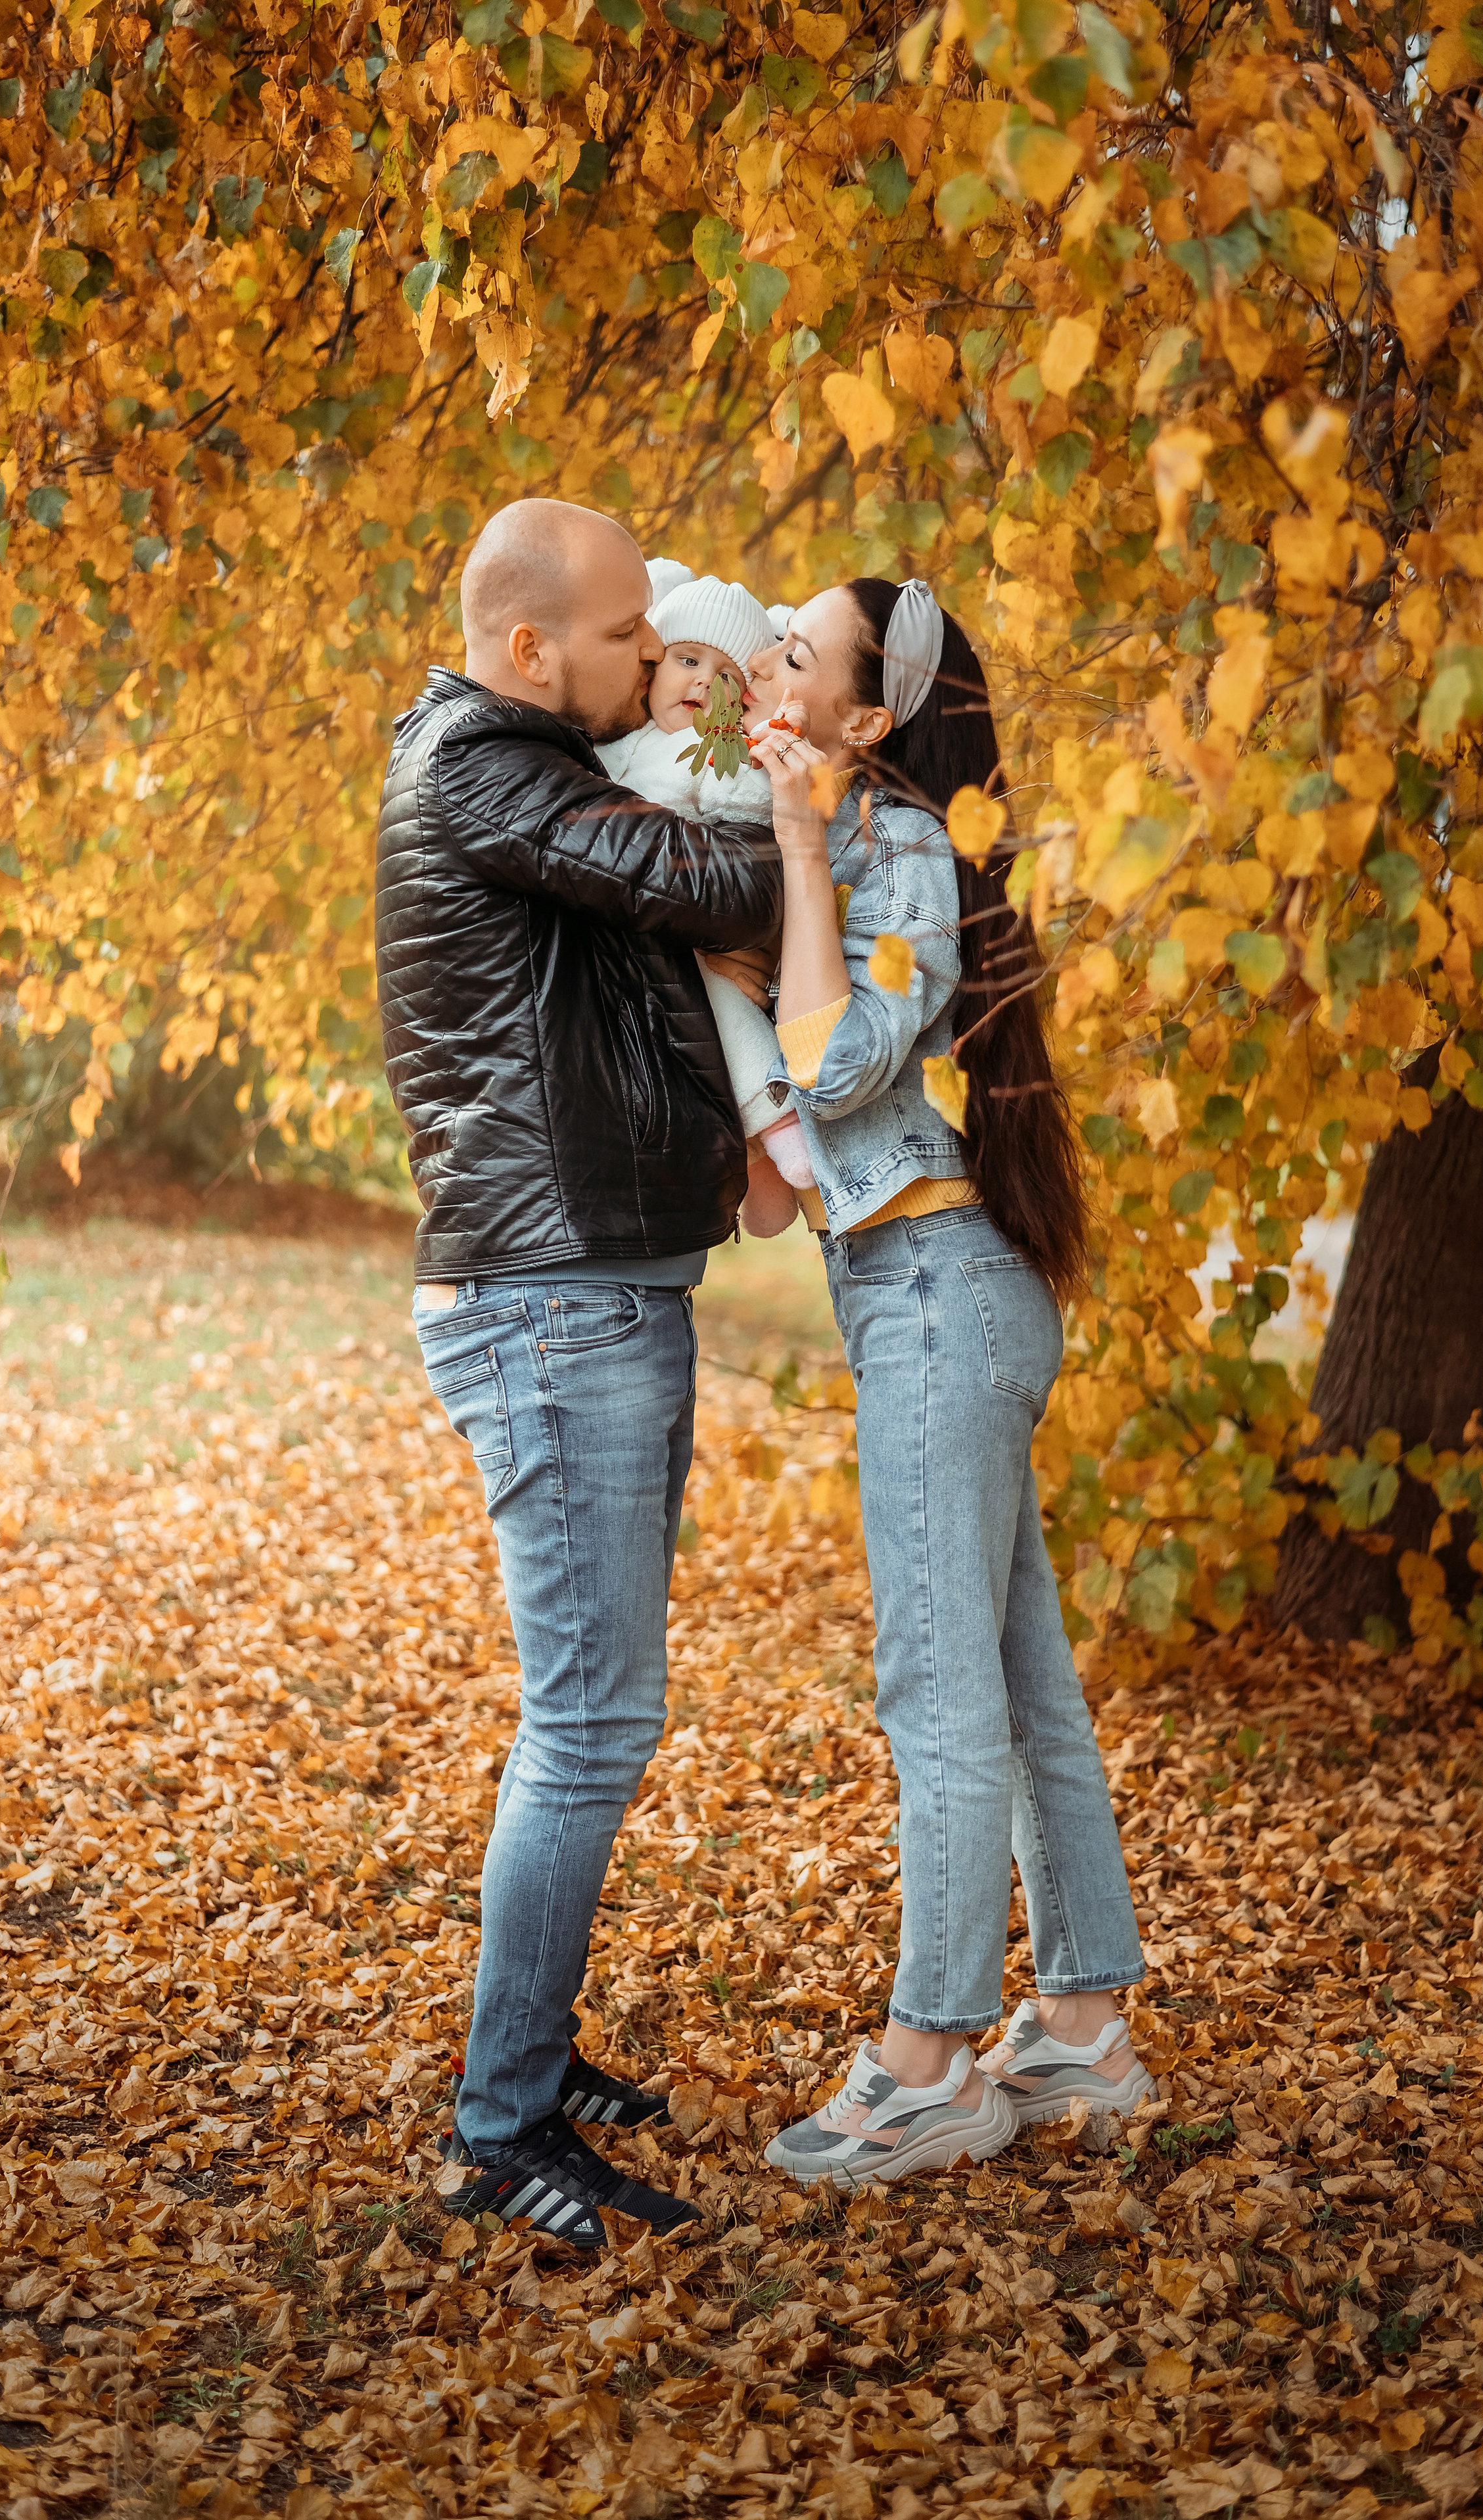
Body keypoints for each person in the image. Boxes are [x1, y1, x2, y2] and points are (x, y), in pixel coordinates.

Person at [375, 498, 781, 2249]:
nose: (651, 657)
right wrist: (814, 785)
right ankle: (503, 2129)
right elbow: (708, 876)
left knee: (595, 1712)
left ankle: (529, 2057)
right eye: (626, 633)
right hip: (553, 1303)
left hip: (594, 1286)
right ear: (531, 648)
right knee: (592, 1717)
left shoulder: (524, 761)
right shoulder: (486, 766)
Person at [742, 579, 1152, 2191]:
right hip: (928, 1290)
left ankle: (928, 2056)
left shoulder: (888, 839)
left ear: (865, 720)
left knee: (935, 1685)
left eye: (796, 653)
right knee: (1018, 1675)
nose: (765, 659)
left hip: (935, 1295)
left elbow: (836, 1063)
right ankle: (1080, 2020)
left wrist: (790, 843)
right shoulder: (858, 836)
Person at [595, 563, 815, 1207]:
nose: (702, 682)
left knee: (719, 1005)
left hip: (695, 931)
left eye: (726, 678)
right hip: (640, 940)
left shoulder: (721, 756)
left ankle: (773, 1118)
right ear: (652, 666)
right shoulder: (614, 745)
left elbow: (749, 825)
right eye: (686, 658)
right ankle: (751, 1157)